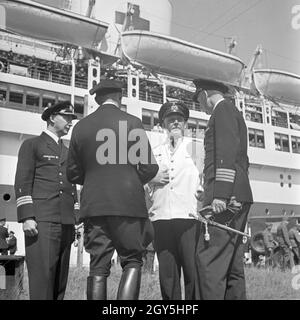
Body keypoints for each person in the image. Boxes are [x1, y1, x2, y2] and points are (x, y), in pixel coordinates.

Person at [67, 79, 158, 300]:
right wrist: (130, 181)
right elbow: (149, 167)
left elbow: (72, 173)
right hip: (128, 204)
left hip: (95, 205)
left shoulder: (81, 127)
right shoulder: (132, 123)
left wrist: (95, 180)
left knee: (98, 266)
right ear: (120, 97)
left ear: (97, 99)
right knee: (132, 261)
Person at [192, 79, 253, 300]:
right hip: (238, 194)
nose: (199, 105)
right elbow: (241, 160)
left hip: (228, 198)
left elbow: (226, 152)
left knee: (210, 260)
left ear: (205, 94)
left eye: (197, 98)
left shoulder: (223, 110)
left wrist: (220, 194)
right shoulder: (232, 112)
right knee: (232, 264)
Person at [14, 101, 79, 300]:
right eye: (66, 117)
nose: (70, 122)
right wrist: (27, 217)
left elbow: (72, 187)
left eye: (71, 118)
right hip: (41, 221)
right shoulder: (32, 145)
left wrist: (76, 218)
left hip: (66, 223)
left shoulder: (68, 152)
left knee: (60, 282)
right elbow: (23, 181)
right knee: (42, 280)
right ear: (52, 117)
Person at [146, 101, 203, 300]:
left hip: (188, 216)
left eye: (179, 120)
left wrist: (202, 193)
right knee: (167, 274)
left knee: (192, 270)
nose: (175, 123)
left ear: (186, 124)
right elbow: (144, 181)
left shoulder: (196, 148)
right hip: (161, 217)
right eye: (171, 120)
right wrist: (151, 178)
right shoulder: (154, 151)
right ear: (163, 124)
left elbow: (205, 178)